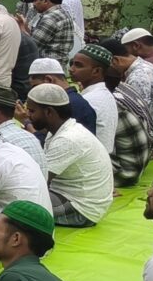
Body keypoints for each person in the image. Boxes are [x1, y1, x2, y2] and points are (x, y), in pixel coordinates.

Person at [27, 82, 113, 227]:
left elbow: (39, 181)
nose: (28, 116)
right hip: (75, 200)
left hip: (81, 210)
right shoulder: (61, 131)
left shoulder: (67, 139)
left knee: (15, 200)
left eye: (31, 111)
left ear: (49, 112)